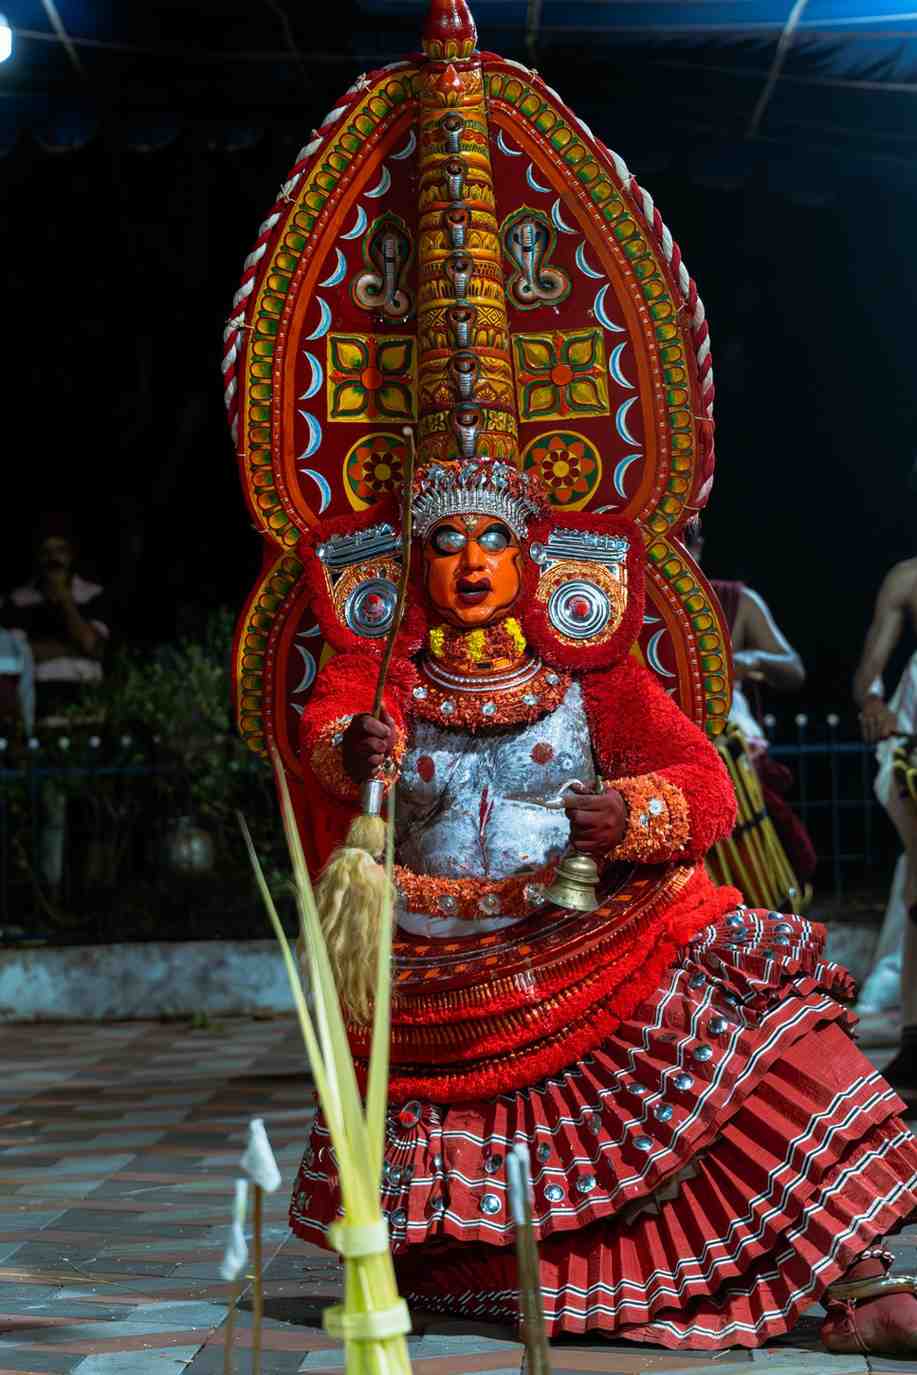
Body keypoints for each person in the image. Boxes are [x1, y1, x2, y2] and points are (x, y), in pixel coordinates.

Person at [231, 0, 917, 1353]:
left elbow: (704, 777)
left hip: (599, 927)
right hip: (446, 968)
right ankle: (584, 1284)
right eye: (447, 541)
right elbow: (321, 739)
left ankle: (848, 1278)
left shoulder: (587, 662)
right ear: (411, 558)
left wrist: (637, 816)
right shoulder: (377, 663)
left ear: (534, 550)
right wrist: (356, 756)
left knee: (769, 1031)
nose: (473, 560)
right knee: (481, 1221)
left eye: (495, 535)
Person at [685, 518, 816, 886]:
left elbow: (793, 668)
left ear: (698, 549)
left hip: (729, 757)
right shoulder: (629, 607)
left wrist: (750, 661)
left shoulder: (734, 602)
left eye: (686, 544)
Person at [852, 555, 917, 1066]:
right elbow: (870, 672)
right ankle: (914, 1038)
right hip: (911, 742)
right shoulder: (906, 578)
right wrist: (874, 704)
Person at [0, 515, 109, 725]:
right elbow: (18, 656)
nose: (54, 559)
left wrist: (65, 598)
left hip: (88, 711)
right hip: (38, 713)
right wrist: (72, 649)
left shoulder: (94, 595)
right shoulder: (17, 601)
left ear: (72, 555)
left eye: (61, 550)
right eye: (46, 552)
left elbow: (92, 645)